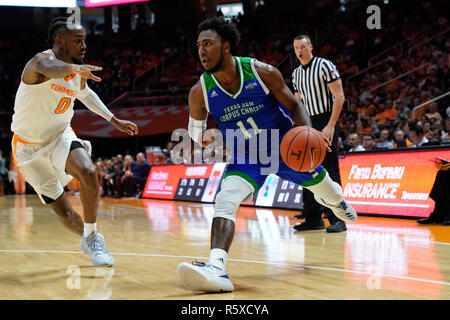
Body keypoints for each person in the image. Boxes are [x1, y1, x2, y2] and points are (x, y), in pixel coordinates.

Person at [177, 16, 357, 293]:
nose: (201, 51)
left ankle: (335, 200)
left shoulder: (261, 72)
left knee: (328, 191)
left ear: (226, 46)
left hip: (285, 147)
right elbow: (196, 130)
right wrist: (202, 138)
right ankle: (217, 268)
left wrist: (306, 137)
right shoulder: (199, 92)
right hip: (245, 157)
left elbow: (296, 106)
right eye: (198, 45)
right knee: (225, 200)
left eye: (208, 44)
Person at [10, 17, 138, 267]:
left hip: (59, 135)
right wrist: (74, 70)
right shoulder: (39, 63)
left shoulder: (74, 69)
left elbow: (85, 94)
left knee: (89, 173)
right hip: (28, 149)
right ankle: (86, 236)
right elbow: (51, 68)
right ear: (60, 41)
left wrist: (114, 119)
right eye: (78, 40)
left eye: (85, 40)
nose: (84, 45)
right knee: (64, 211)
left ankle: (92, 238)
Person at [290, 34, 348, 233]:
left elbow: (339, 96)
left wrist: (331, 125)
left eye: (303, 47)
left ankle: (338, 219)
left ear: (311, 47)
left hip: (326, 119)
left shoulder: (324, 65)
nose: (300, 51)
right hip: (307, 122)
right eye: (297, 47)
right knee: (305, 168)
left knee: (329, 169)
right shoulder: (296, 73)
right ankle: (313, 217)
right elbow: (298, 103)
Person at [417, 158, 450, 225]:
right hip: (441, 193)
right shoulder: (440, 172)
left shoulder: (447, 171)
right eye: (435, 163)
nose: (436, 165)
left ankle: (448, 217)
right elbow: (436, 185)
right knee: (439, 200)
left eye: (438, 163)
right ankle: (436, 216)